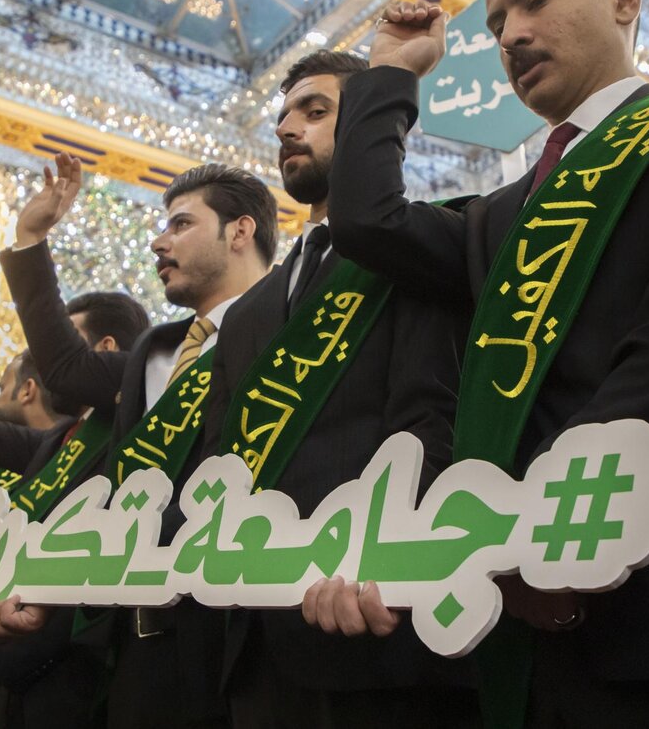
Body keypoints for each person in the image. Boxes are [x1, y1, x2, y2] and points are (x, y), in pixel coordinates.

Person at [321, 0, 649, 726]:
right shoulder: (502, 215)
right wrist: (393, 72)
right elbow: (367, 222)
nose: (512, 35)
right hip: (520, 607)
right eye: (498, 21)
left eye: (537, 0)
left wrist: (555, 524)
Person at [194, 50, 476, 728]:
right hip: (258, 651)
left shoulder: (413, 253)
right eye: (284, 114)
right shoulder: (250, 314)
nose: (289, 127)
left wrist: (384, 560)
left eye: (315, 111)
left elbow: (431, 422)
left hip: (376, 636)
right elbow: (218, 463)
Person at [0, 160, 277, 728]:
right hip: (136, 645)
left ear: (240, 231)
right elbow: (65, 368)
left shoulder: (293, 327)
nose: (158, 242)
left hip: (240, 631)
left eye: (181, 225)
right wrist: (31, 239)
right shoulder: (154, 351)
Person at [0, 262, 149, 729]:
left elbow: (88, 571)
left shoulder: (137, 437)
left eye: (61, 340)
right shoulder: (57, 440)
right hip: (19, 682)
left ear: (105, 349)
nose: (45, 361)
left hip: (77, 687)